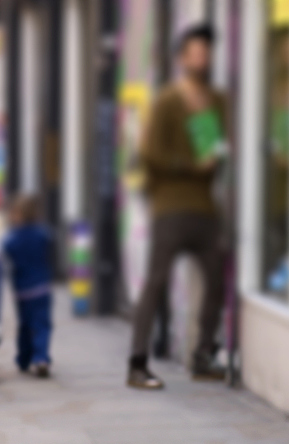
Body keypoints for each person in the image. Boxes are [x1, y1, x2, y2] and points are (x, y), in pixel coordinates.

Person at [128, 22, 228, 389]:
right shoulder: (169, 99)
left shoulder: (218, 101)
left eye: (207, 51)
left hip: (206, 206)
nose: (202, 58)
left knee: (217, 280)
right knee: (156, 282)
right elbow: (150, 154)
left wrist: (216, 161)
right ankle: (137, 363)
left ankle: (203, 354)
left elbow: (220, 147)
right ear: (182, 58)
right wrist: (190, 166)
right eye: (195, 52)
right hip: (170, 205)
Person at [2, 193, 55, 377]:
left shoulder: (13, 238)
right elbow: (50, 246)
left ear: (18, 215)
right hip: (41, 288)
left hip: (22, 291)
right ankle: (41, 357)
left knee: (25, 325)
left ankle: (24, 359)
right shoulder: (42, 234)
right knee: (42, 325)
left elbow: (4, 252)